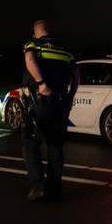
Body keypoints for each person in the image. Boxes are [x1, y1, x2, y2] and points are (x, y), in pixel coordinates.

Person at [21, 20, 77, 202]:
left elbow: (29, 60)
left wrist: (40, 83)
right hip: (60, 104)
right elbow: (76, 76)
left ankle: (38, 186)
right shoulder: (64, 50)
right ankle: (55, 189)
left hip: (40, 104)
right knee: (55, 147)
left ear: (35, 32)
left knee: (30, 142)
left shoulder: (33, 45)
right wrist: (70, 97)